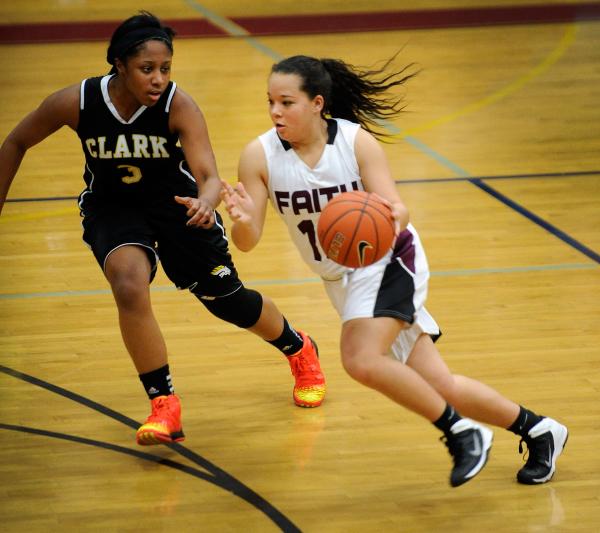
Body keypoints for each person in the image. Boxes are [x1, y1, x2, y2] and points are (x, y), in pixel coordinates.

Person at [220, 54, 568, 487]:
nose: (275, 111)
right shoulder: (259, 156)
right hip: (340, 282)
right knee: (439, 383)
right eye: (270, 101)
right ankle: (539, 430)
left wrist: (386, 213)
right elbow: (248, 242)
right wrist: (241, 220)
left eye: (286, 102)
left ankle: (461, 432)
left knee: (360, 359)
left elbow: (397, 208)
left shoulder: (354, 142)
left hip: (387, 258)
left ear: (317, 103)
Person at [0, 14, 327, 446]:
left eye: (165, 69)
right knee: (129, 284)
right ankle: (164, 405)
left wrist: (206, 203)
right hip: (113, 208)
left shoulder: (179, 106)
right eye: (147, 69)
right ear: (119, 65)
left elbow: (208, 175)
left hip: (178, 208)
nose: (158, 79)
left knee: (228, 303)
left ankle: (298, 347)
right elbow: (16, 141)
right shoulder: (76, 101)